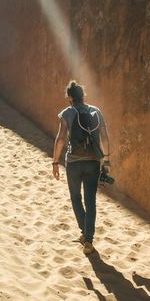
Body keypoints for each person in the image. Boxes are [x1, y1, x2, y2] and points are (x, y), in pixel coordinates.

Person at [52, 79, 110, 254]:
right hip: (93, 162)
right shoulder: (96, 111)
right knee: (90, 201)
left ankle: (85, 233)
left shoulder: (67, 113)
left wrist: (55, 161)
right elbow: (105, 138)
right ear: (83, 96)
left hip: (74, 163)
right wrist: (106, 160)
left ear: (70, 98)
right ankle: (89, 241)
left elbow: (61, 138)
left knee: (76, 198)